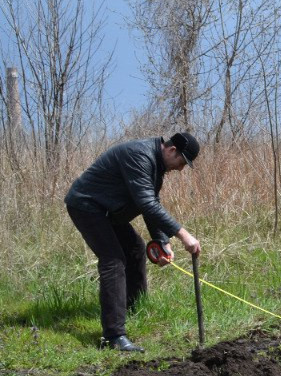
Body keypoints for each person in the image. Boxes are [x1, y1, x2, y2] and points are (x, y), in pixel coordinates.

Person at [65, 132, 203, 352]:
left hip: (109, 211)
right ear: (171, 150)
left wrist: (162, 240)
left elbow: (150, 203)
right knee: (113, 260)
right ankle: (114, 337)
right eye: (181, 162)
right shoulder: (139, 156)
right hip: (87, 206)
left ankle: (133, 309)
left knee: (136, 249)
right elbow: (146, 203)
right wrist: (183, 235)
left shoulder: (156, 164)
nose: (180, 169)